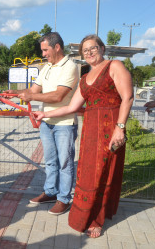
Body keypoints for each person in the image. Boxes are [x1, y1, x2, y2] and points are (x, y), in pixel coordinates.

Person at [32, 34, 133, 238]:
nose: (89, 53)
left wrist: (120, 127)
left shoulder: (114, 66)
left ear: (102, 48)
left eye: (93, 48)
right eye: (85, 51)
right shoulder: (86, 76)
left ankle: (98, 218)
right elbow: (71, 106)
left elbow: (128, 97)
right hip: (91, 130)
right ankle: (85, 214)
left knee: (105, 172)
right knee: (88, 173)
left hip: (110, 126)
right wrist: (46, 113)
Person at [4, 32, 79, 215]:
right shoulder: (47, 67)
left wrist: (31, 96)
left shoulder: (70, 66)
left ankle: (64, 199)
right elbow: (33, 90)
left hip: (64, 123)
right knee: (51, 161)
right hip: (46, 122)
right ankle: (51, 192)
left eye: (46, 50)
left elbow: (57, 95)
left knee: (65, 163)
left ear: (57, 47)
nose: (43, 54)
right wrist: (14, 93)